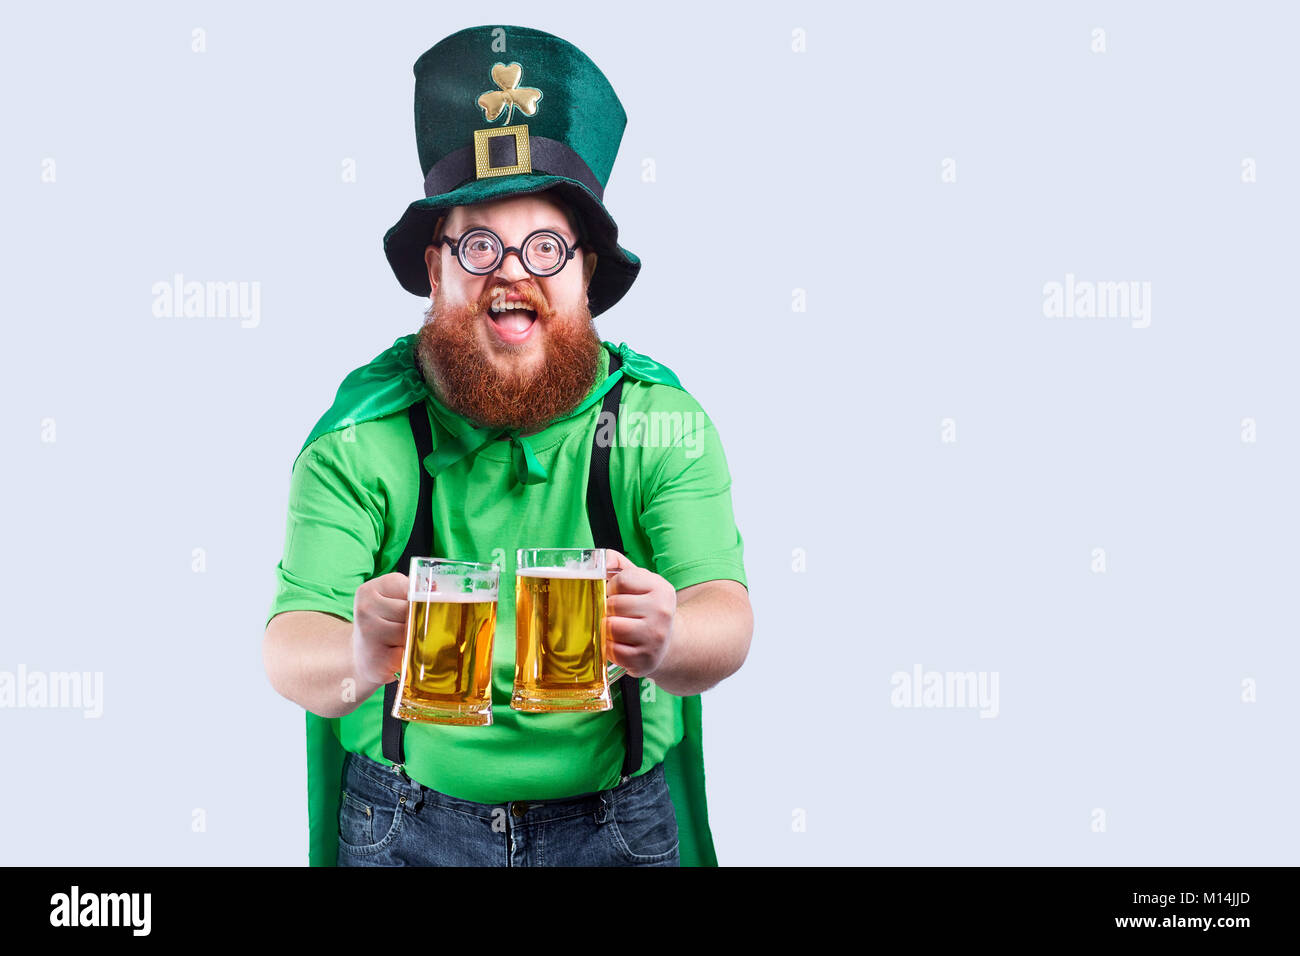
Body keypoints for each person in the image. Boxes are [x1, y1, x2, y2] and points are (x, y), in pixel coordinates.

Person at [262, 24, 752, 866]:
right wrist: (354, 650)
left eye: (547, 246)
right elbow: (288, 644)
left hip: (615, 828)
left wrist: (670, 639)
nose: (511, 272)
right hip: (402, 825)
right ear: (436, 267)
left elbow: (726, 618)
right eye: (480, 245)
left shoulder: (654, 423)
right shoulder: (363, 435)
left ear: (586, 273)